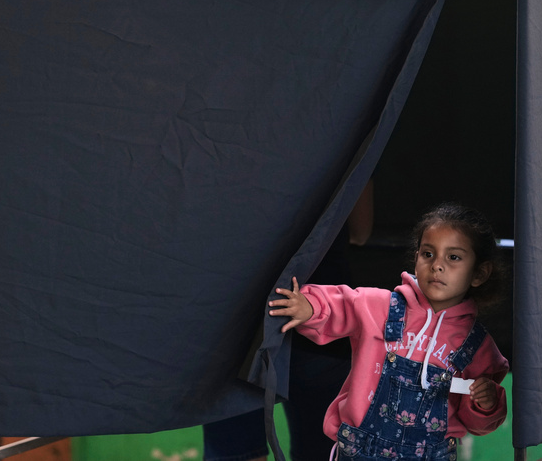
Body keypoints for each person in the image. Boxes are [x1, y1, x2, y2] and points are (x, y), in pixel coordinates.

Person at [268, 202, 508, 461]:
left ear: (479, 273)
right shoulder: (381, 306)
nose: (437, 265)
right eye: (428, 254)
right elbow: (340, 303)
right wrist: (309, 306)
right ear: (416, 260)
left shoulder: (478, 347)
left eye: (454, 257)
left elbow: (478, 422)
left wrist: (487, 404)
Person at [203, 181, 374, 461]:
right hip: (318, 315)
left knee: (236, 453)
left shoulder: (216, 145)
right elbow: (360, 231)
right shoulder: (339, 137)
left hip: (234, 318)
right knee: (323, 452)